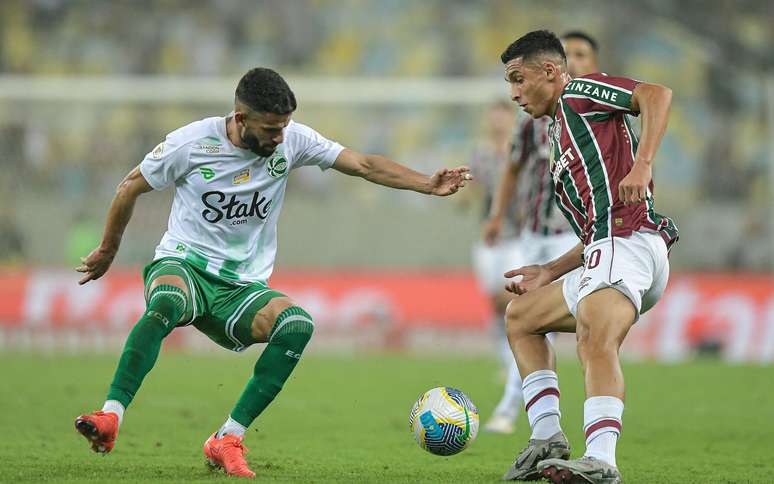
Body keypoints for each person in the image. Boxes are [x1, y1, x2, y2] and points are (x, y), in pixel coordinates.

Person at [74, 67, 471, 478]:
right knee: (168, 302)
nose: (279, 137)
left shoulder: (293, 139)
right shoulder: (191, 143)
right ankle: (110, 415)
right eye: (270, 129)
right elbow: (129, 187)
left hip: (242, 286)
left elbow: (364, 164)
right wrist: (108, 249)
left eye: (283, 127)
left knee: (297, 325)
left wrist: (426, 183)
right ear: (241, 118)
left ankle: (226, 438)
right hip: (185, 263)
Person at [497, 31, 677, 483]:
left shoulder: (578, 92)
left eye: (519, 79)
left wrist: (644, 163)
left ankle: (602, 461)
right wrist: (552, 269)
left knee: (594, 339)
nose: (514, 93)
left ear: (551, 72)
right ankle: (547, 438)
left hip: (629, 242)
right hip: (606, 247)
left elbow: (656, 94)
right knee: (521, 317)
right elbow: (598, 220)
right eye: (509, 83)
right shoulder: (558, 130)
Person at [482, 31, 602, 434]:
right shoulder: (533, 123)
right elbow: (513, 168)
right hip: (534, 234)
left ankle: (523, 410)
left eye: (581, 54)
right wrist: (497, 215)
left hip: (577, 237)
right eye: (570, 53)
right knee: (523, 316)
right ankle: (535, 415)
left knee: (579, 328)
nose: (576, 60)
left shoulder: (599, 113)